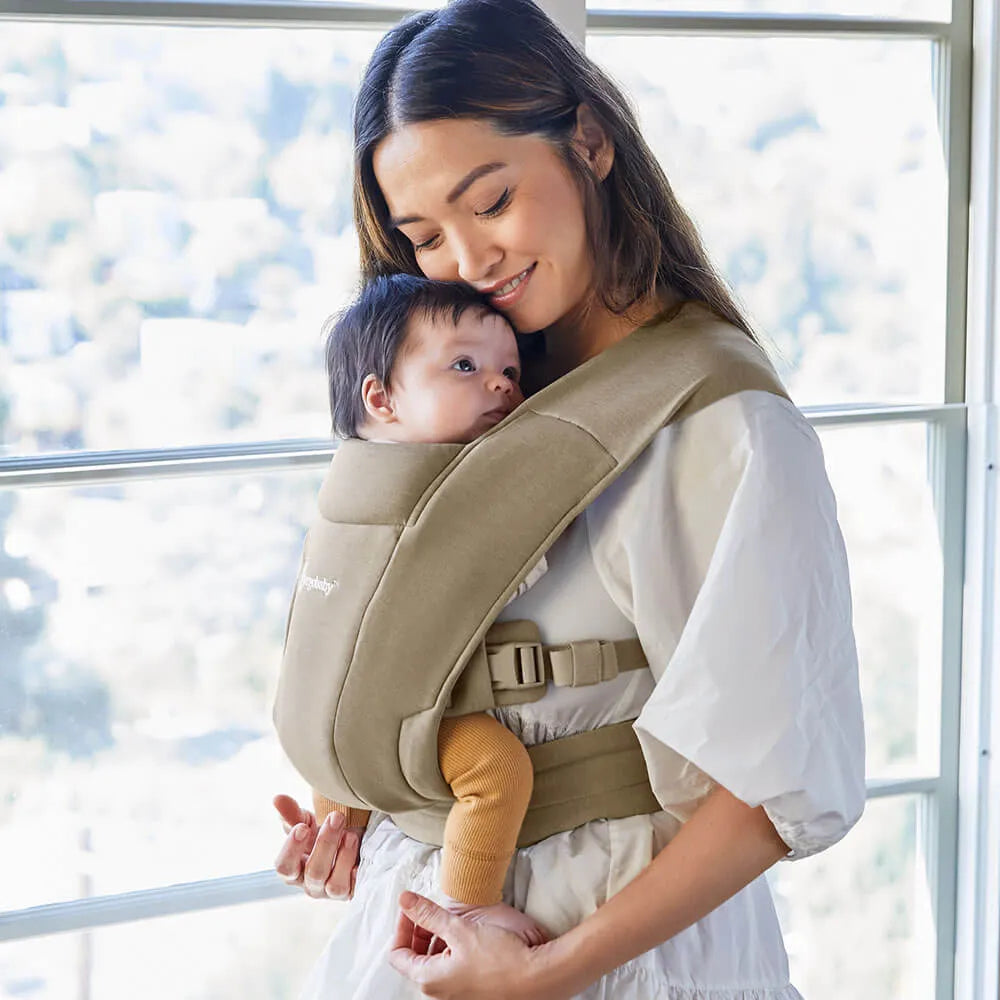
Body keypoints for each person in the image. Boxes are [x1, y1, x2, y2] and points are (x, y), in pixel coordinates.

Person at [272, 1, 866, 997]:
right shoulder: (472, 397)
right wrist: (356, 812)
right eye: (425, 236)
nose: (468, 262)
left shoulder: (718, 422)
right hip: (421, 924)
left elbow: (770, 789)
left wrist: (547, 972)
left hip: (611, 948)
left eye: (492, 201)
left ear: (589, 140)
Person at [277, 272, 550, 945]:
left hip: (321, 723)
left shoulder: (347, 490)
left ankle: (339, 837)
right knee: (497, 770)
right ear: (381, 399)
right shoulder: (440, 491)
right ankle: (461, 914)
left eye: (510, 371)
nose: (501, 384)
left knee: (341, 811)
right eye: (465, 366)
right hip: (392, 720)